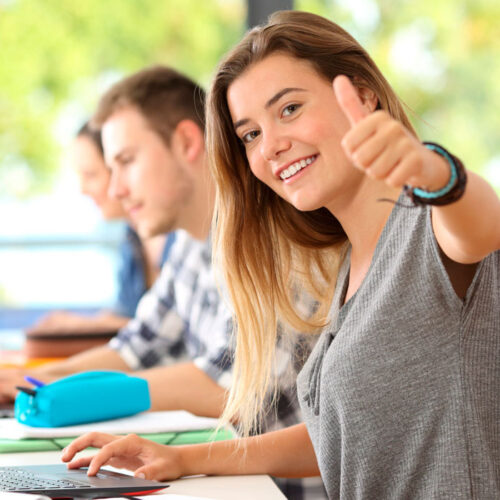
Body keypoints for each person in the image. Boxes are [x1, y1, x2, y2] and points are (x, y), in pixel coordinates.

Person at [62, 11, 500, 499]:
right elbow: (338, 438)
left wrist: (437, 173)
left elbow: (483, 225)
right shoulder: (348, 265)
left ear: (363, 96)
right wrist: (183, 458)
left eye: (289, 109)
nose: (270, 145)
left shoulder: (430, 225)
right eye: (250, 134)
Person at [1, 65, 327, 500]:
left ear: (187, 143)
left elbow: (229, 389)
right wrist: (31, 380)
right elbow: (136, 347)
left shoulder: (275, 241)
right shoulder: (192, 243)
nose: (116, 189)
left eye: (126, 162)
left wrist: (72, 397)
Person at [26, 122, 173, 337]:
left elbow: (172, 329)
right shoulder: (131, 239)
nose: (83, 190)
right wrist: (82, 324)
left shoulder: (185, 237)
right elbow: (129, 318)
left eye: (91, 175)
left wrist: (85, 325)